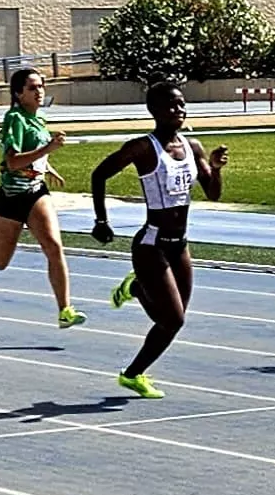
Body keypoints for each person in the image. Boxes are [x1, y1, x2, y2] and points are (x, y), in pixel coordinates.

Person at [90, 79, 228, 399]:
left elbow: (214, 194)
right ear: (153, 110)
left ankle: (136, 290)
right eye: (170, 105)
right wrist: (101, 221)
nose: (178, 110)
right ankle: (132, 372)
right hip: (151, 245)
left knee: (172, 321)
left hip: (179, 245)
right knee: (173, 319)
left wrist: (217, 169)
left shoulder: (193, 148)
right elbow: (100, 174)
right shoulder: (143, 147)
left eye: (181, 104)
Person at [0, 68, 87, 328]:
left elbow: (35, 156)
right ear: (18, 93)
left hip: (35, 192)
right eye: (32, 87)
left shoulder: (39, 118)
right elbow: (11, 162)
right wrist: (49, 148)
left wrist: (48, 167)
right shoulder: (15, 119)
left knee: (54, 248)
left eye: (41, 86)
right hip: (12, 197)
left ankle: (64, 310)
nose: (39, 91)